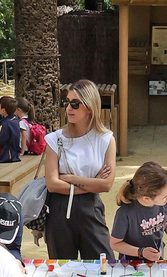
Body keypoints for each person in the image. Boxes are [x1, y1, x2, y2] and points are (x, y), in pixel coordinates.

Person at [44, 79, 117, 260]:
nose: (69, 108)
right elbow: (52, 184)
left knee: (103, 264)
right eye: (67, 102)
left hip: (91, 208)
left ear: (90, 107)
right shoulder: (55, 139)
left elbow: (106, 185)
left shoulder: (106, 139)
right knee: (63, 269)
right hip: (59, 210)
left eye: (75, 104)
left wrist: (68, 177)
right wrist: (91, 184)